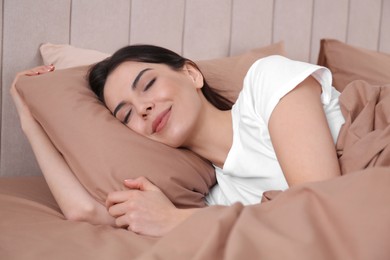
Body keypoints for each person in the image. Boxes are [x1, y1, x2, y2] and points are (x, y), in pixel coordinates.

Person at [11, 44, 344, 237]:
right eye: (126, 115)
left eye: (148, 84)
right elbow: (84, 211)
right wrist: (30, 118)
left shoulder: (265, 82)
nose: (142, 108)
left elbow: (322, 207)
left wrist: (174, 220)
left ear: (191, 74)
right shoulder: (217, 198)